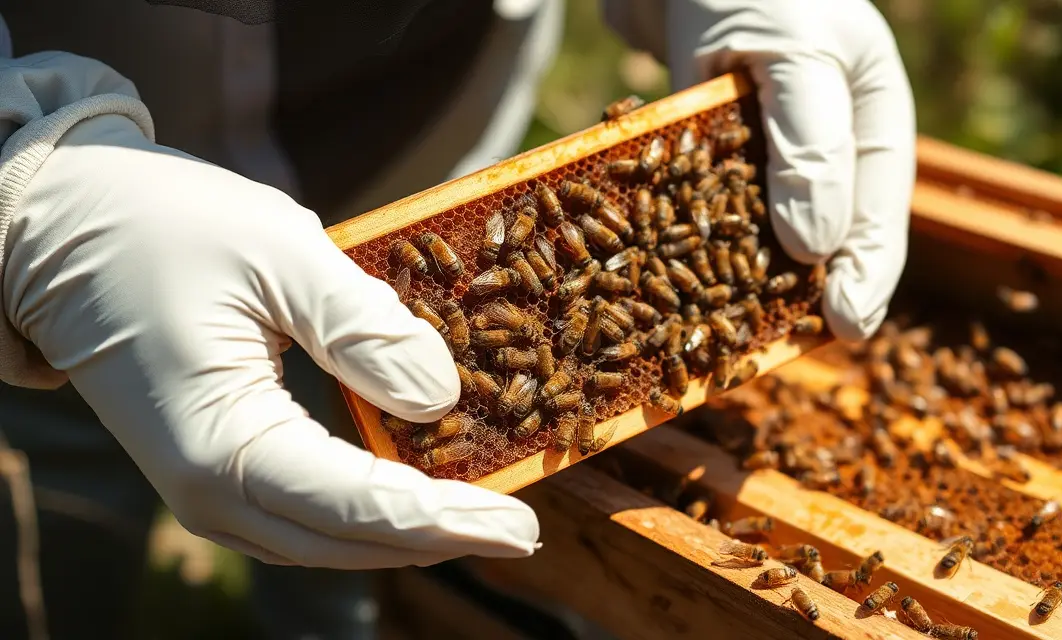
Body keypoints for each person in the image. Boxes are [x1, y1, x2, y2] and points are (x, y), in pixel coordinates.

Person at [0, 0, 915, 637]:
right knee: (68, 468)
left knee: (375, 508)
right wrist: (27, 182)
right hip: (89, 168)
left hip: (426, 130)